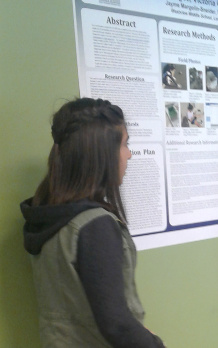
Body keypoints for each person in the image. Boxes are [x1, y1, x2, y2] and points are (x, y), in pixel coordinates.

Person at [22, 98, 163, 347]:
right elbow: (117, 324)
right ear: (101, 155)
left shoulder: (48, 214)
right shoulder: (94, 226)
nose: (129, 154)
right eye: (124, 144)